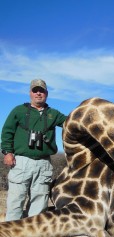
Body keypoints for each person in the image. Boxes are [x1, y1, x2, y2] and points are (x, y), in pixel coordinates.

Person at [1, 79, 67, 221]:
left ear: (46, 93)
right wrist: (7, 152)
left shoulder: (53, 114)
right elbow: (7, 132)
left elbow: (71, 123)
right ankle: (10, 236)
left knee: (40, 202)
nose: (38, 93)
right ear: (30, 93)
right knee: (15, 200)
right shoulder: (19, 111)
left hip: (44, 164)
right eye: (35, 90)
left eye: (41, 91)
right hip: (21, 162)